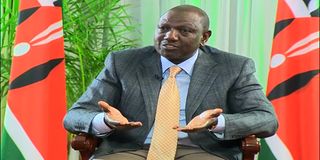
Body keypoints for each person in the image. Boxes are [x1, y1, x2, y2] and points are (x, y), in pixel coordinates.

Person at [63, 5, 278, 160]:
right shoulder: (123, 62)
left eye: (184, 31)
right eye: (163, 28)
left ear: (204, 37)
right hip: (130, 149)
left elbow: (266, 119)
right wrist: (105, 121)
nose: (170, 36)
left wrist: (217, 122)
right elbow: (75, 115)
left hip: (203, 151)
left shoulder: (233, 67)